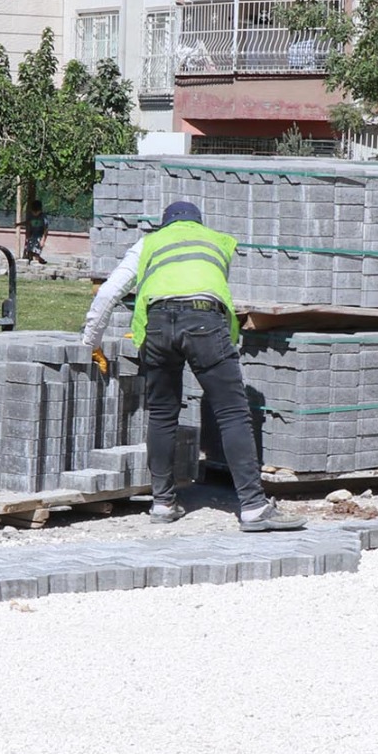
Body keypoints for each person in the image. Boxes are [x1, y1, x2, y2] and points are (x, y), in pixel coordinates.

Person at [77, 200, 303, 533]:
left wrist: (90, 342)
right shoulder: (215, 240)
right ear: (198, 222)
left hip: (156, 325)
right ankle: (254, 507)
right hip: (202, 321)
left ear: (164, 224)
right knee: (232, 412)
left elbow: (109, 292)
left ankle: (162, 502)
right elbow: (210, 287)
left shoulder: (149, 242)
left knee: (162, 412)